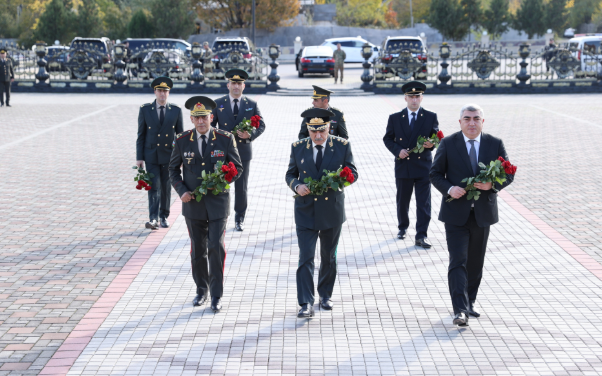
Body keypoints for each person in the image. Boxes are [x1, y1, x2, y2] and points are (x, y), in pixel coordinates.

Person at [430, 104, 514, 326]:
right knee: (458, 260)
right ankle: (459, 309)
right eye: (467, 119)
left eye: (476, 118)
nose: (472, 122)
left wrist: (492, 185)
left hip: (482, 214)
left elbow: (508, 173)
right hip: (455, 214)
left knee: (476, 262)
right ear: (460, 122)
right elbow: (435, 173)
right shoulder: (448, 143)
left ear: (482, 122)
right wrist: (449, 189)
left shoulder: (494, 144)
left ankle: (470, 302)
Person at [169, 96, 243, 312]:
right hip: (193, 204)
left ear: (212, 117)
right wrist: (181, 191)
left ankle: (216, 295)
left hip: (218, 203)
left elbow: (237, 168)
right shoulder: (182, 140)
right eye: (197, 118)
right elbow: (173, 169)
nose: (201, 122)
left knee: (215, 247)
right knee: (198, 250)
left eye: (205, 117)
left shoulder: (225, 138)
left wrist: (223, 181)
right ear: (192, 119)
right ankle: (201, 290)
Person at [285, 108, 358, 318]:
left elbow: (353, 171)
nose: (318, 136)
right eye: (313, 131)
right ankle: (306, 302)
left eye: (322, 131)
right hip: (305, 210)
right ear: (308, 129)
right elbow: (290, 174)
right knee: (306, 257)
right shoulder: (298, 147)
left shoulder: (342, 146)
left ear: (328, 128)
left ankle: (325, 295)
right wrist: (296, 185)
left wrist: (343, 179)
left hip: (331, 210)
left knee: (328, 256)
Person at [383, 81, 439, 248]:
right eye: (411, 97)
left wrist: (432, 144)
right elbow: (387, 139)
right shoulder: (395, 118)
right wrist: (397, 150)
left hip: (423, 167)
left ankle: (421, 235)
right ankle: (403, 227)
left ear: (422, 98)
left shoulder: (430, 116)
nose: (414, 100)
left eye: (417, 96)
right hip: (403, 165)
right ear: (405, 98)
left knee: (424, 203)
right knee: (403, 200)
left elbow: (436, 136)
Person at [211, 69, 266, 231]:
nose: (236, 86)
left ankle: (239, 217)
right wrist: (220, 136)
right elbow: (211, 126)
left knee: (241, 186)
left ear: (244, 86)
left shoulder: (251, 104)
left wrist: (250, 134)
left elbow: (262, 125)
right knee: (221, 183)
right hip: (223, 152)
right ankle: (220, 215)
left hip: (243, 151)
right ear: (228, 85)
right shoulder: (218, 103)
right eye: (233, 83)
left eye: (239, 83)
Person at [136, 77, 183, 229]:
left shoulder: (176, 110)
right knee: (153, 186)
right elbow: (141, 135)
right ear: (155, 91)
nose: (162, 94)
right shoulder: (145, 109)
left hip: (169, 155)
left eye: (165, 91)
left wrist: (181, 157)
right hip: (151, 155)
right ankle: (153, 218)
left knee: (166, 187)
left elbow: (180, 136)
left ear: (169, 92)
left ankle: (164, 216)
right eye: (160, 91)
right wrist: (139, 157)